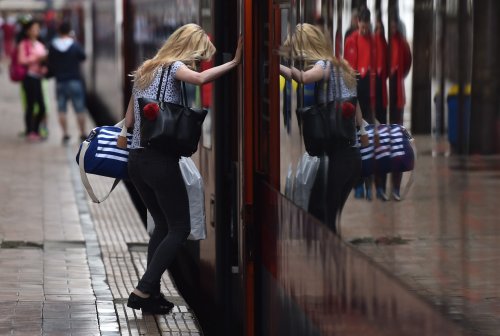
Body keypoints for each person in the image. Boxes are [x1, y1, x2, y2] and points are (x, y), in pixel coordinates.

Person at [122, 23, 242, 314]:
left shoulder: (145, 70)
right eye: (199, 55)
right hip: (159, 161)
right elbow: (200, 80)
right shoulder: (174, 67)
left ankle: (152, 295)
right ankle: (144, 288)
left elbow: (127, 123)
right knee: (179, 227)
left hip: (136, 161)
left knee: (162, 225)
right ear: (189, 47)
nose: (197, 62)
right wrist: (235, 62)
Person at [279, 23, 365, 234]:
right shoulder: (342, 66)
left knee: (322, 220)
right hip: (352, 157)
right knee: (325, 218)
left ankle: (334, 264)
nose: (299, 61)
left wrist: (274, 66)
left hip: (338, 158)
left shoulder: (324, 65)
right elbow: (358, 117)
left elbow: (304, 78)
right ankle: (332, 261)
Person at [47, 21, 87, 144]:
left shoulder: (53, 46)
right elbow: (83, 57)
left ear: (59, 32)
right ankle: (82, 133)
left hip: (60, 81)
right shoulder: (74, 45)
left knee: (61, 109)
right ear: (69, 31)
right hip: (75, 80)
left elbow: (50, 62)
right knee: (79, 109)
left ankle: (65, 135)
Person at [389, 15, 412, 200]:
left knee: (396, 140)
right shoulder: (381, 43)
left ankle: (395, 184)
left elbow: (407, 64)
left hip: (396, 96)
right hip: (383, 97)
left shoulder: (402, 43)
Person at [17, 19, 48, 141]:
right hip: (29, 78)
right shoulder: (23, 44)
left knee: (42, 107)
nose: (37, 31)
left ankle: (35, 129)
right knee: (31, 105)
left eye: (38, 29)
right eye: (34, 29)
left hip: (38, 77)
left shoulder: (40, 44)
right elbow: (21, 60)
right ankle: (30, 131)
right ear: (28, 31)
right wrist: (36, 58)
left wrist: (45, 66)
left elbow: (44, 60)